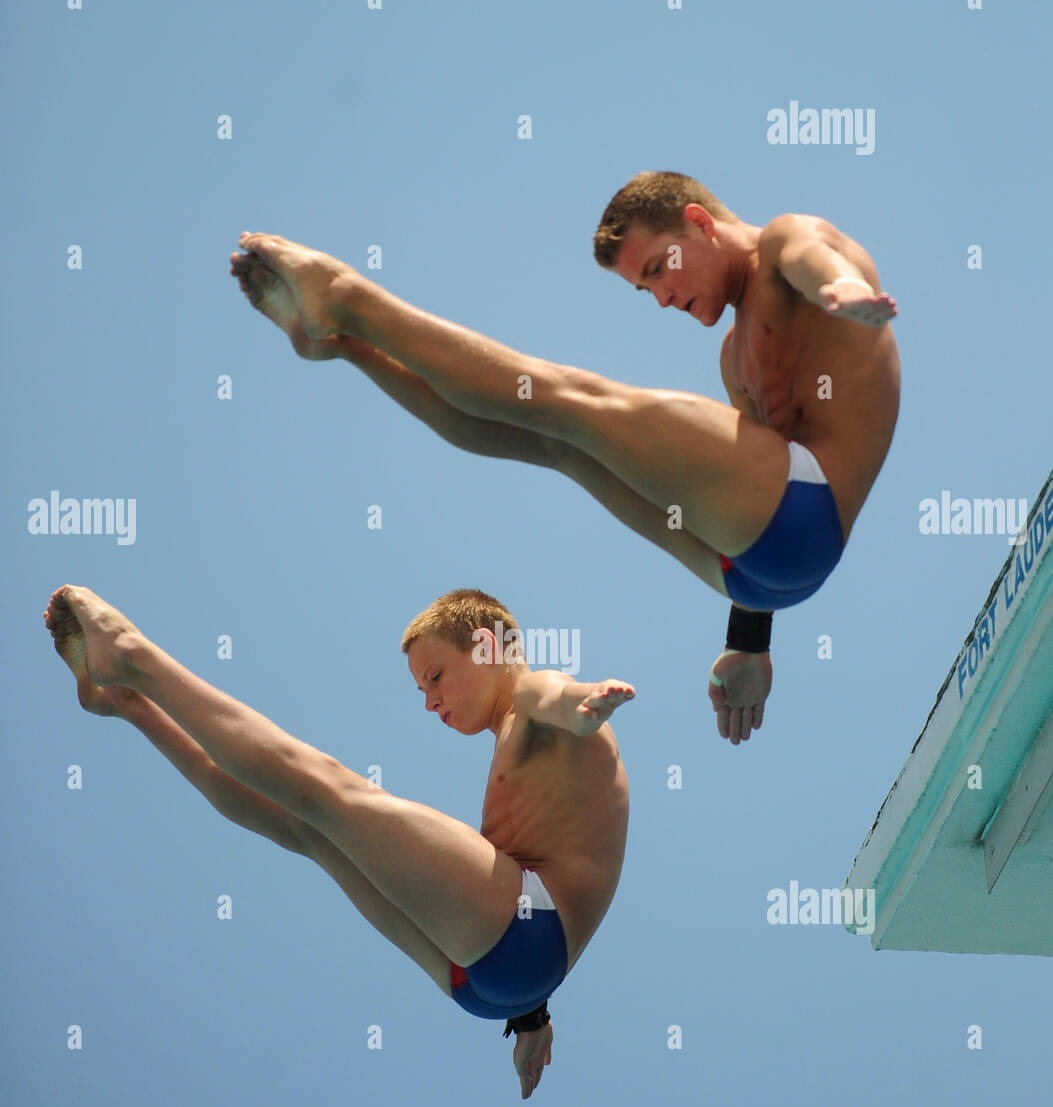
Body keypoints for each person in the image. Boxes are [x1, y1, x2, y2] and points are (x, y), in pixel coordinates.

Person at [228, 172, 899, 744]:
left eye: (657, 269)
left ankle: (347, 296)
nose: (662, 297)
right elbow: (746, 488)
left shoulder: (785, 241)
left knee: (565, 399)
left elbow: (814, 254)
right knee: (553, 443)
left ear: (698, 223)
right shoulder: (734, 359)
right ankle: (347, 344)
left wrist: (838, 287)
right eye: (644, 290)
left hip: (808, 513)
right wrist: (750, 643)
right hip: (748, 573)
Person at [44, 584, 633, 1099]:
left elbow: (555, 695)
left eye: (434, 677)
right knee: (308, 829)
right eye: (424, 689)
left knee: (328, 791)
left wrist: (583, 708)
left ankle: (132, 655)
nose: (430, 701)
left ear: (486, 646)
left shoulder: (532, 693)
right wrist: (531, 1015)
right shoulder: (516, 744)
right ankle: (129, 703)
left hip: (520, 946)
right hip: (491, 982)